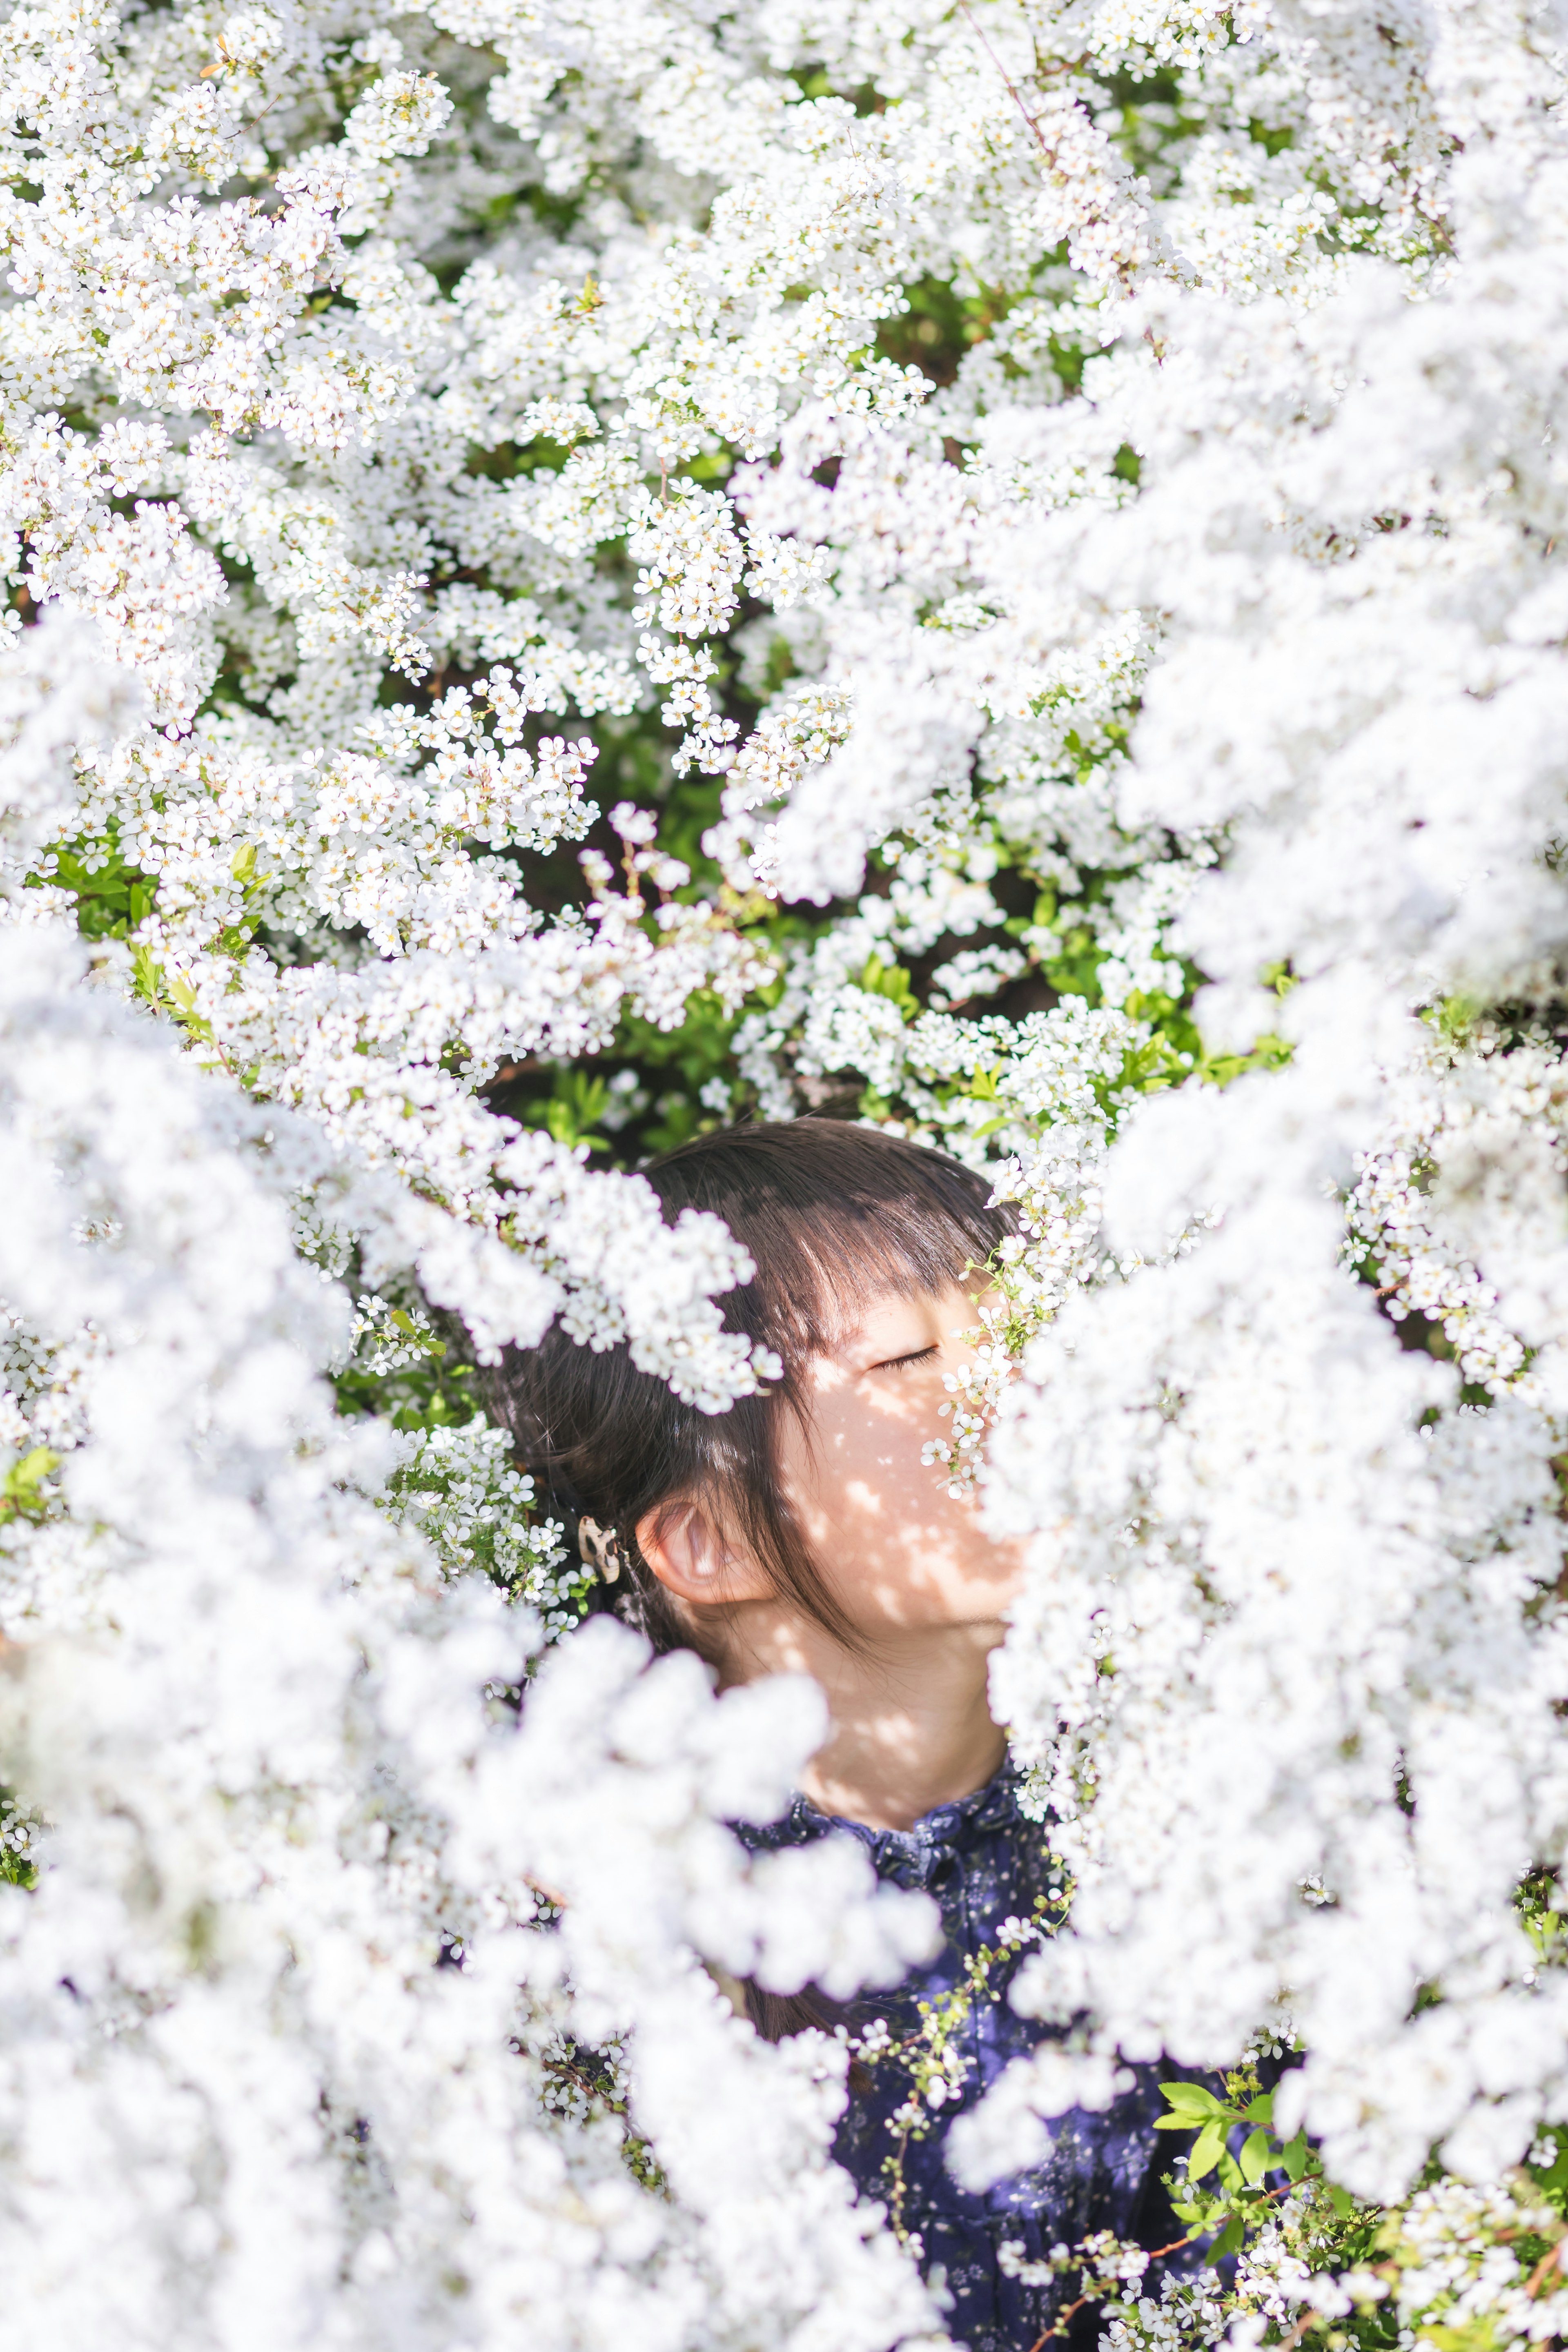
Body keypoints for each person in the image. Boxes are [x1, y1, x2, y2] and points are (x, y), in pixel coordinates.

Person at [494, 1120, 1186, 2352]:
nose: (1020, 1387)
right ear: (708, 1543)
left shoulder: (1193, 1841)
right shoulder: (589, 1939)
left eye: (1027, 1328)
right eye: (911, 1356)